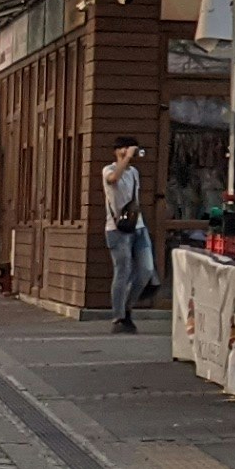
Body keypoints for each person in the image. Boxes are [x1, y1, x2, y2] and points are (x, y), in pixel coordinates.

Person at [101, 137, 149, 331]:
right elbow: (113, 180)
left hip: (138, 226)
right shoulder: (109, 170)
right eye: (121, 149)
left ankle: (128, 308)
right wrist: (125, 159)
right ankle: (118, 316)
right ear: (115, 151)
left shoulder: (135, 173)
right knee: (123, 271)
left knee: (146, 270)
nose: (125, 152)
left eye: (128, 149)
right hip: (117, 228)